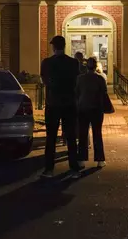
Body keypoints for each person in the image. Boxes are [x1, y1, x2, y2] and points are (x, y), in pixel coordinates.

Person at [40, 35, 82, 179]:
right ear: (64, 46)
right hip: (69, 102)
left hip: (53, 103)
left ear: (53, 47)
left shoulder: (47, 63)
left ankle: (49, 169)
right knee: (70, 136)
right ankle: (74, 168)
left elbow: (45, 80)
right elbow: (77, 81)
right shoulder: (73, 63)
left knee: (51, 137)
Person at [75, 57, 107, 168]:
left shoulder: (80, 79)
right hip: (97, 109)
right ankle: (100, 160)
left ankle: (81, 159)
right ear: (95, 66)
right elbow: (104, 93)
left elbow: (77, 93)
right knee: (97, 134)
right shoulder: (100, 79)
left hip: (83, 109)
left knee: (83, 134)